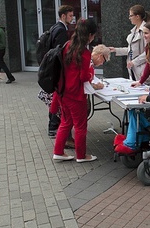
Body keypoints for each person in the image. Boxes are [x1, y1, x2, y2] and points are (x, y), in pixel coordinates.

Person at [53, 18, 98, 163]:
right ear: (90, 35)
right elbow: (84, 76)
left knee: (66, 122)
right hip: (76, 94)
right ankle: (81, 155)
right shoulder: (84, 53)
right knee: (80, 126)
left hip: (63, 91)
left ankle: (58, 152)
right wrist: (91, 74)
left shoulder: (67, 45)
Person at [40, 5, 74, 138]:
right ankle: (54, 126)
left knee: (55, 99)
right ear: (63, 15)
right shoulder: (61, 30)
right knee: (57, 99)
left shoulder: (54, 27)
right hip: (57, 70)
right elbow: (61, 52)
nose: (72, 18)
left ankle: (53, 126)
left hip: (52, 68)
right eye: (70, 16)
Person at [109, 5, 150, 81]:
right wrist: (115, 50)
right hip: (134, 69)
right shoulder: (134, 31)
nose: (129, 18)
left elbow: (149, 52)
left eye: (131, 15)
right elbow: (131, 49)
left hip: (143, 68)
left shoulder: (145, 30)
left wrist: (134, 62)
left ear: (137, 16)